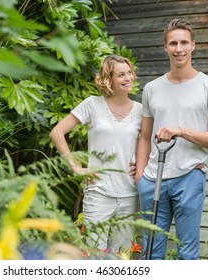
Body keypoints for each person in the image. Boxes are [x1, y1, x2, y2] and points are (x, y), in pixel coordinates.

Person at [135, 19, 208, 260]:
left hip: (189, 177)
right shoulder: (152, 88)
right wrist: (140, 178)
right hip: (152, 180)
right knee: (149, 253)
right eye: (173, 43)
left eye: (184, 43)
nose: (179, 48)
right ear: (165, 47)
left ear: (193, 45)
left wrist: (181, 130)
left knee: (187, 254)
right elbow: (145, 136)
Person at [49, 54, 143, 252]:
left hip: (129, 194)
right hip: (98, 192)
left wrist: (143, 166)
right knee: (95, 255)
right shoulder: (92, 104)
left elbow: (151, 141)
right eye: (121, 75)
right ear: (109, 79)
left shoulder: (141, 111)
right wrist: (75, 167)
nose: (128, 78)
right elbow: (57, 133)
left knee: (121, 257)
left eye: (129, 73)